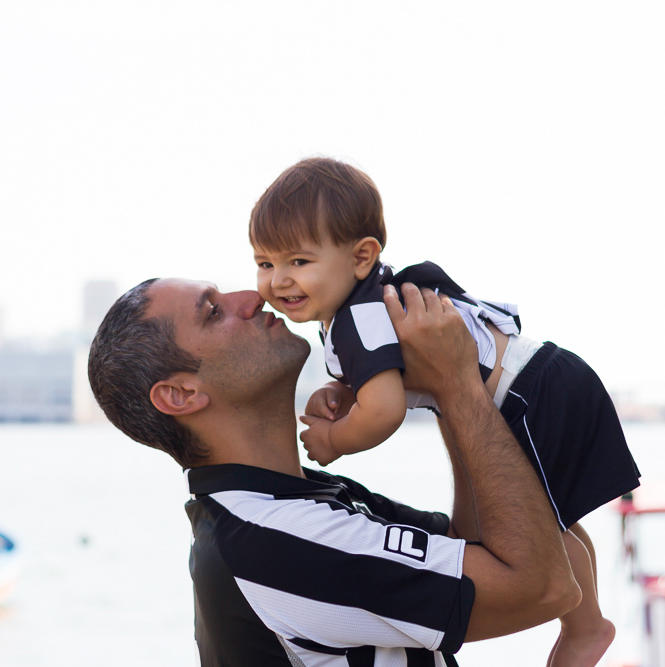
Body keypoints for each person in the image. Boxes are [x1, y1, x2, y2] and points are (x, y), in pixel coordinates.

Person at [249, 157, 641, 667]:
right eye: (264, 263)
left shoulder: (356, 319)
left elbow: (386, 409)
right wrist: (342, 392)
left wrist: (336, 440)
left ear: (362, 256)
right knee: (549, 518)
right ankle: (587, 624)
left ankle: (586, 628)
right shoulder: (357, 308)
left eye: (298, 262)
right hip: (541, 377)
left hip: (530, 391)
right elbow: (386, 376)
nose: (278, 280)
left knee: (536, 526)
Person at [88, 276, 580, 666]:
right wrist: (457, 385)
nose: (254, 295)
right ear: (181, 394)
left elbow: (471, 546)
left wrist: (438, 384)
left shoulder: (287, 505)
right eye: (213, 311)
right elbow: (542, 589)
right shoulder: (271, 545)